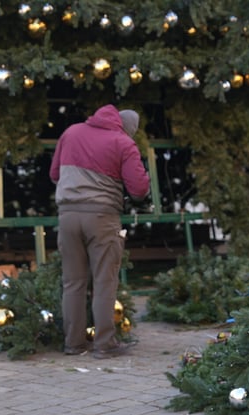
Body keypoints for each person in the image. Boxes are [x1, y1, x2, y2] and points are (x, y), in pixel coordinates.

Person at [50, 104, 150, 358]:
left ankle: (73, 343)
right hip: (102, 217)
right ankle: (104, 344)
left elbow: (54, 175)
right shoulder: (123, 143)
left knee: (73, 282)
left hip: (68, 216)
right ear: (128, 129)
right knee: (104, 282)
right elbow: (138, 190)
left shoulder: (71, 132)